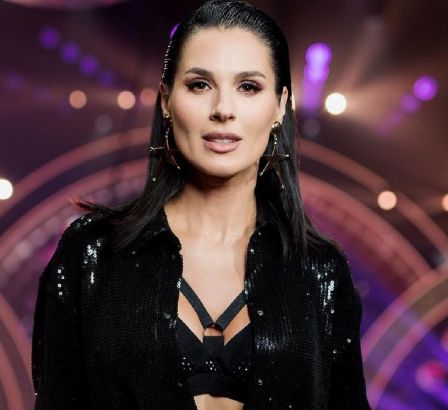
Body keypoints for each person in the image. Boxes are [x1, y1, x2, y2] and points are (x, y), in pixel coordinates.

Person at [31, 1, 371, 409]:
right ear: (166, 101)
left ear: (280, 106)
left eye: (248, 87)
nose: (223, 110)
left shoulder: (320, 271)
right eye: (199, 85)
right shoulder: (92, 254)